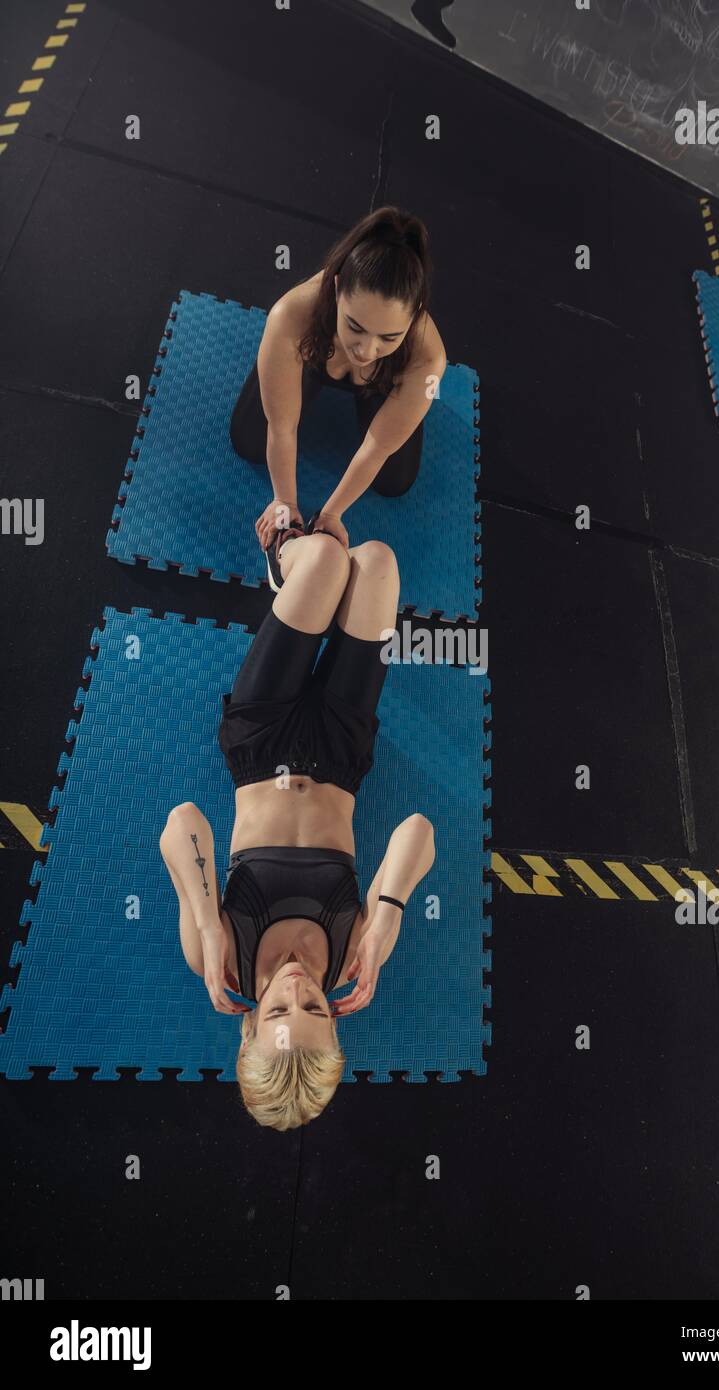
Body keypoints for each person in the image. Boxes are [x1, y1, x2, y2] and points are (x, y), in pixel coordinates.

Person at [159, 530, 436, 1129]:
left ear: (250, 1025)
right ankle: (314, 580)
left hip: (261, 741)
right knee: (379, 561)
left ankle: (280, 543)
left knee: (323, 558)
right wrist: (388, 912)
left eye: (281, 1007)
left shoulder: (220, 955)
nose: (295, 984)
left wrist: (208, 924)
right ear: (333, 1016)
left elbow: (183, 824)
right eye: (314, 1005)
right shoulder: (351, 961)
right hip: (340, 753)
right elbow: (417, 830)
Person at [229, 205, 447, 586]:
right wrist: (285, 503)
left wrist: (330, 516)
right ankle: (284, 366)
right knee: (248, 440)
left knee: (395, 480)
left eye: (388, 337)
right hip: (315, 354)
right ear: (336, 288)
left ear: (413, 320)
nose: (365, 349)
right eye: (355, 327)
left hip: (383, 381)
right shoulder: (291, 315)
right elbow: (282, 429)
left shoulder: (427, 359)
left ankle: (386, 373)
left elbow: (376, 449)